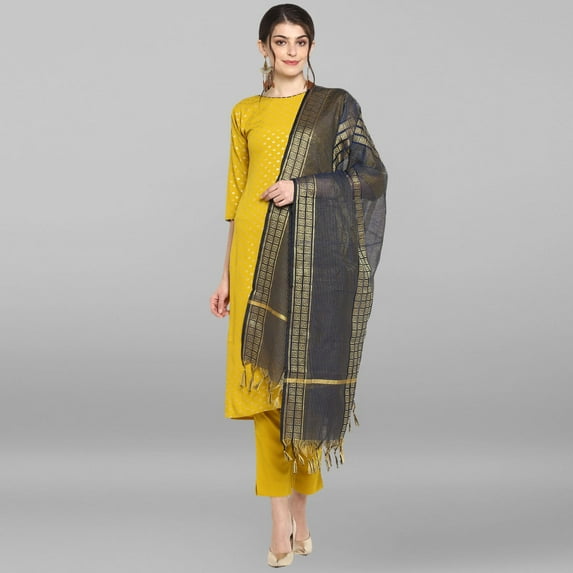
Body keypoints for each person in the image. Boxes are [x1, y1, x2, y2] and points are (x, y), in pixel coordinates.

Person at [210, 4, 387, 567]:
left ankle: (301, 512)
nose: (291, 51)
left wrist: (303, 186)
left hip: (311, 259)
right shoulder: (244, 112)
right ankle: (280, 519)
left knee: (301, 388)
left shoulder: (334, 106)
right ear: (263, 46)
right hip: (252, 256)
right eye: (281, 41)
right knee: (265, 390)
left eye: (301, 41)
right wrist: (225, 274)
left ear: (310, 46)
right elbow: (238, 199)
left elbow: (370, 176)